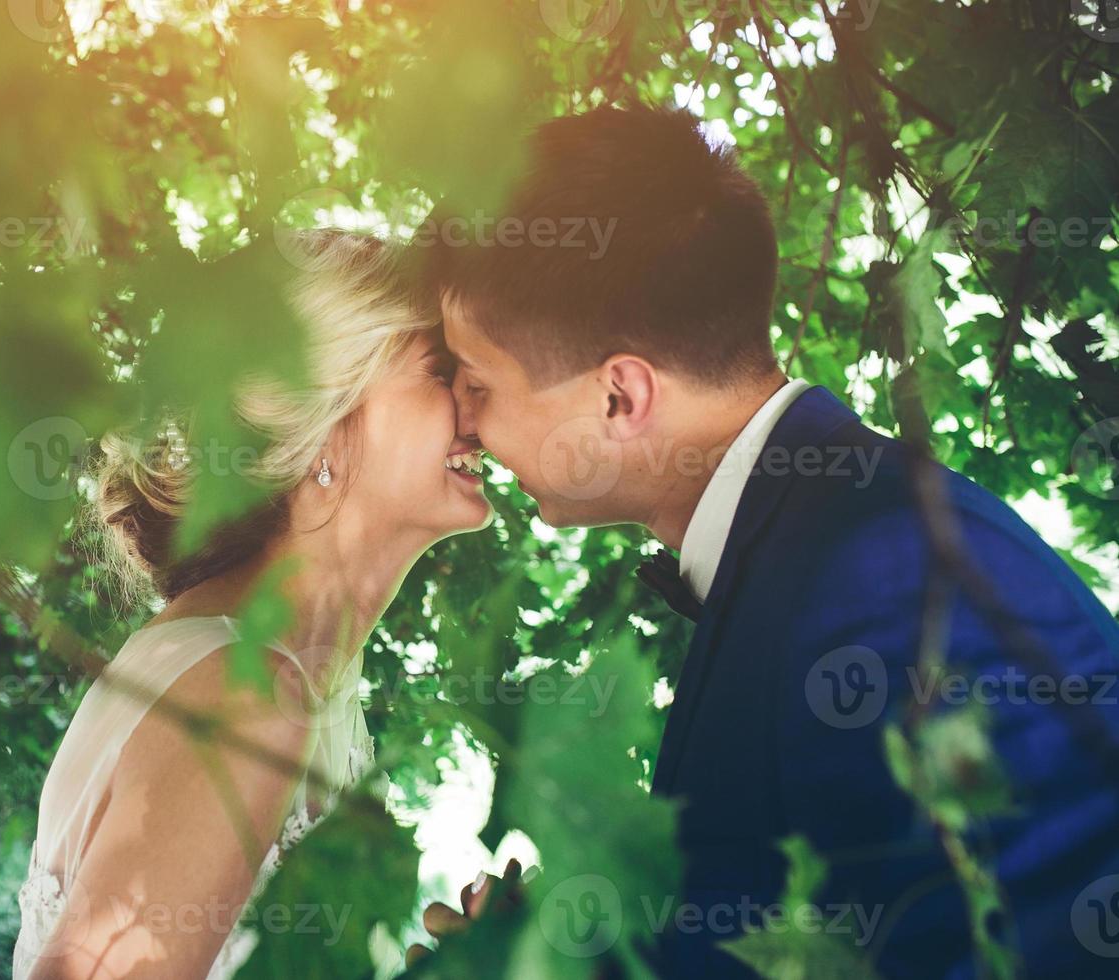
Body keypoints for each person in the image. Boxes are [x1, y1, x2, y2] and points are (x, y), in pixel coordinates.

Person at [419, 103, 1119, 976]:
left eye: (477, 381)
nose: (466, 421)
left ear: (619, 398)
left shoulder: (883, 574)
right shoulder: (815, 537)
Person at [12, 230, 492, 980]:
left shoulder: (306, 677)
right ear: (323, 430)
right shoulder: (242, 697)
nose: (478, 404)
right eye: (441, 371)